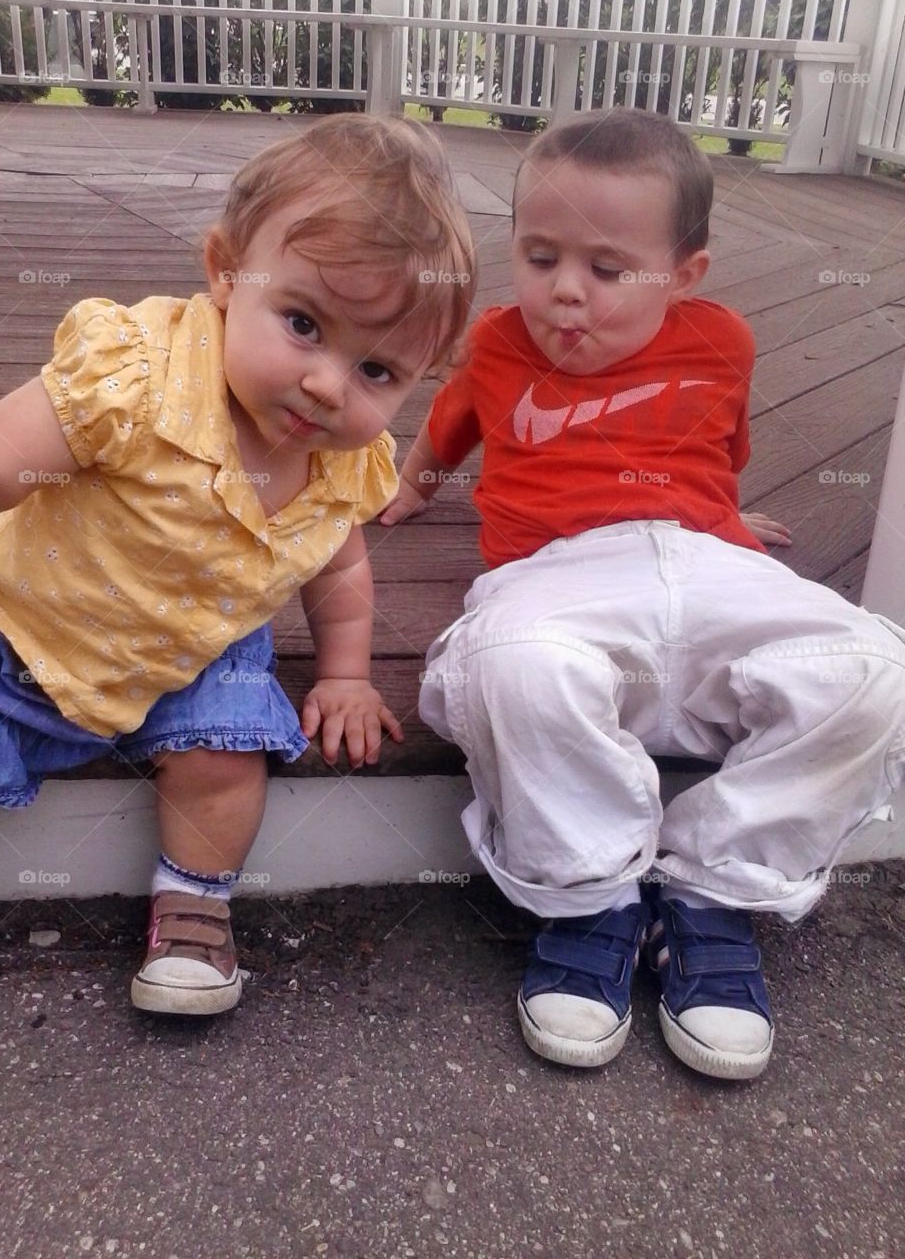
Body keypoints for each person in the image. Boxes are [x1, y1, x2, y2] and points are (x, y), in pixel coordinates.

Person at [381, 108, 905, 1080]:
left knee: (873, 668)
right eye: (540, 257)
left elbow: (717, 444)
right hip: (558, 570)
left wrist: (732, 524)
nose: (564, 292)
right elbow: (448, 429)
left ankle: (712, 883)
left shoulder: (724, 340)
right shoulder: (497, 343)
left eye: (606, 269)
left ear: (684, 273)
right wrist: (411, 488)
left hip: (710, 559)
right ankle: (590, 894)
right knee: (507, 665)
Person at [0, 114, 475, 1017]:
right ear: (227, 270)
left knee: (226, 758)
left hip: (191, 651)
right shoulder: (137, 376)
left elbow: (337, 566)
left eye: (378, 370)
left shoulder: (344, 461)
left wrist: (345, 675)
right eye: (303, 323)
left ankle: (194, 900)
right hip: (16, 617)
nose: (328, 386)